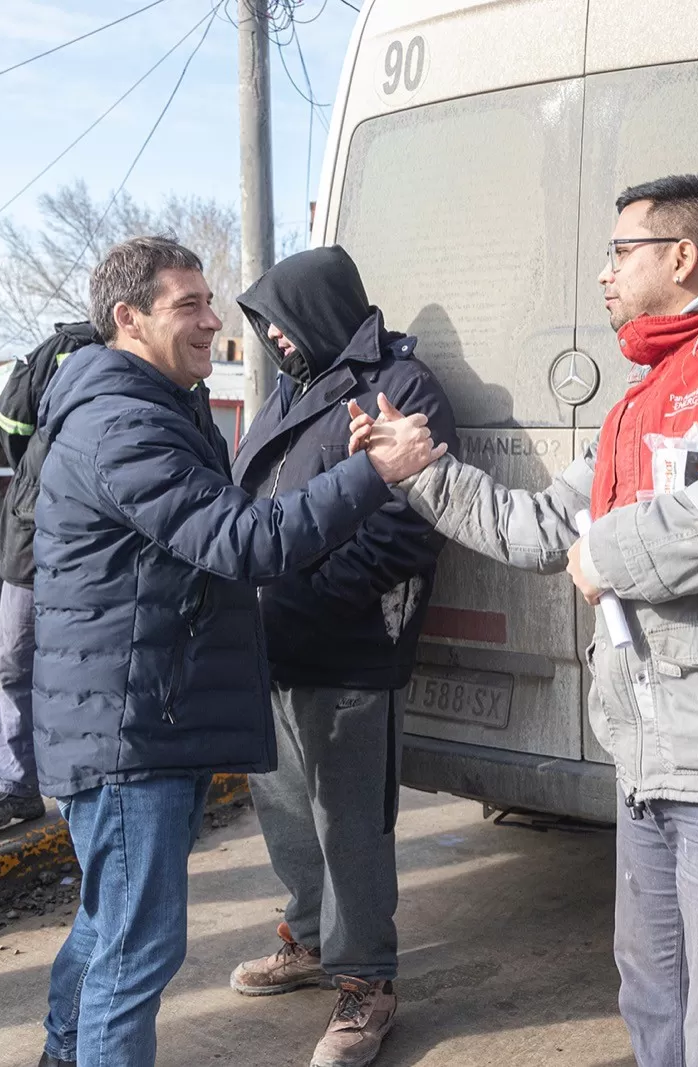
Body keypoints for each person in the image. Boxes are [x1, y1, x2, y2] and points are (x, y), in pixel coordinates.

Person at [350, 175, 698, 1067]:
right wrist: (421, 469)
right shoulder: (644, 397)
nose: (603, 276)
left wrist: (613, 551)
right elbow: (545, 527)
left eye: (620, 252)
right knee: (654, 993)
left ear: (683, 255)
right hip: (653, 757)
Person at [30, 236, 444, 1067]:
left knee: (115, 926)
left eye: (213, 302)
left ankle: (66, 1052)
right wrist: (371, 476)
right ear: (127, 318)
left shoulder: (161, 403)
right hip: (130, 727)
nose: (217, 322)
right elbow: (240, 533)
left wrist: (305, 594)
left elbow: (340, 533)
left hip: (181, 702)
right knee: (133, 950)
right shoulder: (125, 422)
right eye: (190, 305)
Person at [228, 246, 457, 1067]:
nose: (275, 341)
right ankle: (313, 936)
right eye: (265, 329)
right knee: (286, 806)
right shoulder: (295, 388)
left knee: (351, 823)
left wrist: (308, 594)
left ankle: (368, 980)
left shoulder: (399, 385)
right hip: (270, 642)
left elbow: (406, 524)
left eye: (282, 323)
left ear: (321, 310)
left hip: (349, 642)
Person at [0, 321, 100, 832]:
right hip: (32, 539)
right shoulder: (61, 349)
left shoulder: (158, 351)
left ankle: (90, 797)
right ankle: (15, 788)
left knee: (92, 670)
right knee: (17, 664)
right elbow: (12, 427)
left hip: (101, 547)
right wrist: (44, 480)